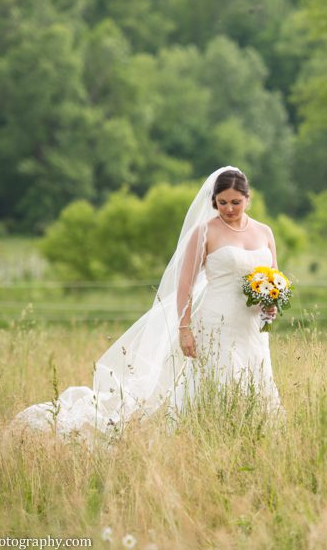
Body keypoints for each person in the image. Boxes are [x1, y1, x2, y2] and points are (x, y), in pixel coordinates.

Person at [14, 167, 282, 438]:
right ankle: (206, 436)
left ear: (248, 198)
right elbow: (184, 285)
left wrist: (271, 306)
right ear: (214, 201)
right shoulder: (205, 232)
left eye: (235, 202)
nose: (228, 208)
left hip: (251, 327)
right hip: (216, 324)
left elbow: (273, 278)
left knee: (256, 379)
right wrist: (184, 328)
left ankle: (253, 436)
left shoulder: (264, 232)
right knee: (219, 382)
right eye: (222, 202)